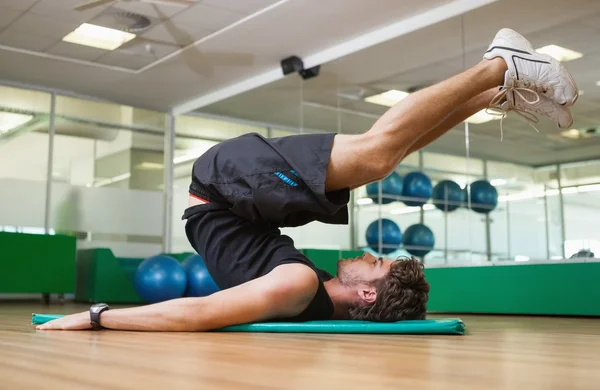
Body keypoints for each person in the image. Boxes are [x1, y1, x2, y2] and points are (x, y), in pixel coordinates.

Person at [38, 28, 577, 331]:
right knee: (379, 159)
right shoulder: (312, 291)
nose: (371, 253)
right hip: (243, 198)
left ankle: (497, 68)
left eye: (378, 264)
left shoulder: (297, 288)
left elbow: (198, 312)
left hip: (224, 189)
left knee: (374, 158)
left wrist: (95, 317)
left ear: (366, 294)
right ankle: (494, 89)